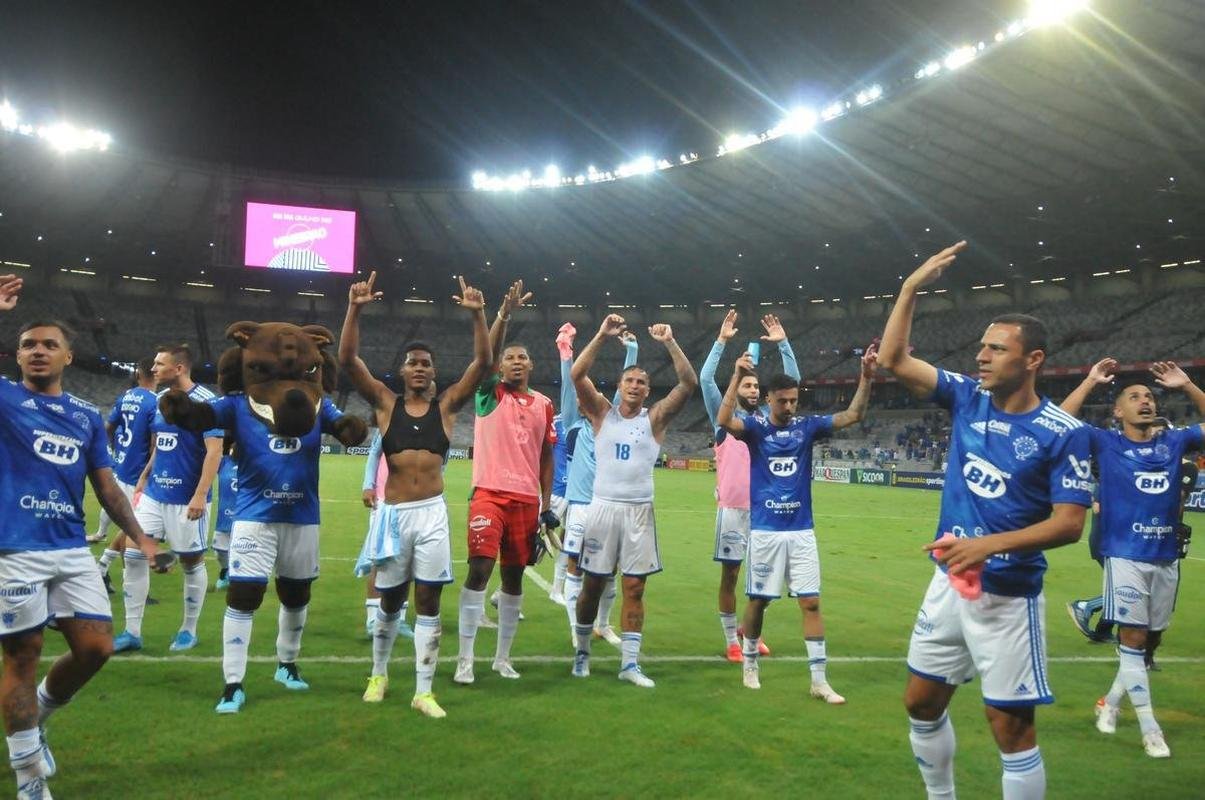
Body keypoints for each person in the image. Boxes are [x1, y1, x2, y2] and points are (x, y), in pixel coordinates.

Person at [878, 243, 1092, 800]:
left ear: (1033, 360)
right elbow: (893, 361)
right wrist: (909, 288)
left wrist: (988, 547)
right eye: (982, 347)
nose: (982, 357)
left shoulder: (1063, 432)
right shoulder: (969, 399)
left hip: (1008, 596)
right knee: (920, 703)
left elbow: (1070, 524)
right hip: (949, 581)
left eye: (997, 349)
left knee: (1011, 728)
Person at [0, 276, 157, 799]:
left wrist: (139, 536)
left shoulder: (88, 416)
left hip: (71, 548)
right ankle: (28, 779)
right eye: (28, 345)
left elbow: (107, 487)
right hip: (15, 549)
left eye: (49, 344)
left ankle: (35, 722)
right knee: (23, 656)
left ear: (68, 357)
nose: (37, 351)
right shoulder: (3, 400)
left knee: (96, 648)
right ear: (17, 357)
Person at [158, 323, 364, 714]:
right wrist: (184, 411)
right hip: (254, 515)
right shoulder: (237, 404)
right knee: (244, 595)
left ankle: (287, 663)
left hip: (303, 515)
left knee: (297, 594)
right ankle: (232, 683)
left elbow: (342, 426)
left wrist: (349, 429)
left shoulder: (319, 403)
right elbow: (202, 416)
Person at [342, 272, 490, 716]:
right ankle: (379, 674)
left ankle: (424, 690)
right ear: (403, 370)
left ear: (433, 371)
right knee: (390, 600)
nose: (420, 368)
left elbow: (482, 363)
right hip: (394, 515)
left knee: (428, 600)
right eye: (413, 363)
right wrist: (355, 308)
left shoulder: (446, 408)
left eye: (427, 363)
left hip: (431, 515)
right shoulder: (386, 404)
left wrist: (479, 314)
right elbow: (348, 359)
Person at [1057, 358, 1204, 757]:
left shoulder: (1175, 443)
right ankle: (1150, 730)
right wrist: (1089, 380)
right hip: (1124, 554)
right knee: (1133, 638)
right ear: (1117, 411)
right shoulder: (1106, 443)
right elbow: (1056, 423)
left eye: (1150, 396)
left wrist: (1188, 385)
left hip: (1166, 557)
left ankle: (1111, 702)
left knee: (1148, 642)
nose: (1145, 401)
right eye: (1135, 396)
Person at [716, 344, 876, 701]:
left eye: (793, 401)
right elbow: (724, 420)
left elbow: (853, 415)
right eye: (782, 401)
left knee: (811, 603)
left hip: (802, 531)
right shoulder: (755, 429)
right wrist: (738, 376)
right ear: (769, 399)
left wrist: (866, 377)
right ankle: (751, 662)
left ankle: (819, 680)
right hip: (766, 531)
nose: (789, 407)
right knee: (758, 601)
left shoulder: (808, 427)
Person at [569, 314, 698, 687]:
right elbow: (577, 375)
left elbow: (688, 383)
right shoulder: (600, 414)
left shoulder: (654, 419)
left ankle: (629, 664)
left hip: (640, 511)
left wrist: (670, 342)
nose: (636, 385)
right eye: (630, 380)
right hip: (603, 508)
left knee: (635, 588)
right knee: (593, 585)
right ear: (620, 384)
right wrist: (601, 335)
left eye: (642, 382)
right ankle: (581, 652)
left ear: (647, 390)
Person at [453, 280, 559, 686]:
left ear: (531, 366)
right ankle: (465, 659)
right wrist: (502, 314)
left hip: (526, 501)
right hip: (489, 495)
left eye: (522, 357)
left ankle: (502, 658)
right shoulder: (488, 392)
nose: (515, 361)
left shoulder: (545, 405)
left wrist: (547, 505)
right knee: (480, 568)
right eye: (509, 357)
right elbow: (484, 359)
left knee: (513, 577)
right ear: (501, 366)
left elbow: (546, 456)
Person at [698, 310, 801, 662]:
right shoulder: (723, 418)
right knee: (730, 575)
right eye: (748, 385)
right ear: (737, 386)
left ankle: (749, 630)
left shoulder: (768, 421)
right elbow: (705, 378)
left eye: (757, 386)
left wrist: (784, 343)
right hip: (732, 510)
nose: (754, 390)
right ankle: (731, 640)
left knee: (766, 581)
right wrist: (722, 341)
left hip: (765, 510)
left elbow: (793, 384)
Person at [114, 344, 223, 653]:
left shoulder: (207, 404)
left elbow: (214, 452)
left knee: (191, 562)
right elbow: (161, 444)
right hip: (154, 493)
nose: (154, 369)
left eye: (160, 364)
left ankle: (189, 629)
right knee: (133, 554)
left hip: (187, 499)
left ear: (179, 368)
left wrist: (200, 495)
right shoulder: (160, 400)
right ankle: (132, 631)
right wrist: (145, 476)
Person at [558, 324, 639, 646]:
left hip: (610, 505)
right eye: (581, 399)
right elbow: (570, 383)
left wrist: (631, 349)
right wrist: (566, 352)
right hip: (580, 507)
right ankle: (577, 633)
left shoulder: (612, 422)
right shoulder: (572, 424)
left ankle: (603, 625)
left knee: (611, 571)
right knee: (576, 570)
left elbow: (623, 390)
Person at [88, 357, 156, 545]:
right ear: (156, 375)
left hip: (122, 463)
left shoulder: (125, 396)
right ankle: (109, 562)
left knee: (111, 502)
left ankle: (100, 533)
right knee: (136, 519)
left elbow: (108, 428)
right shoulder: (155, 402)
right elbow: (154, 444)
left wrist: (114, 450)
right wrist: (150, 471)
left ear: (138, 374)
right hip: (138, 469)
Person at [211, 435, 238, 591]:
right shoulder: (224, 462)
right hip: (224, 517)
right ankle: (225, 570)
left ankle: (238, 576)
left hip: (245, 516)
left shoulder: (254, 464)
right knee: (220, 552)